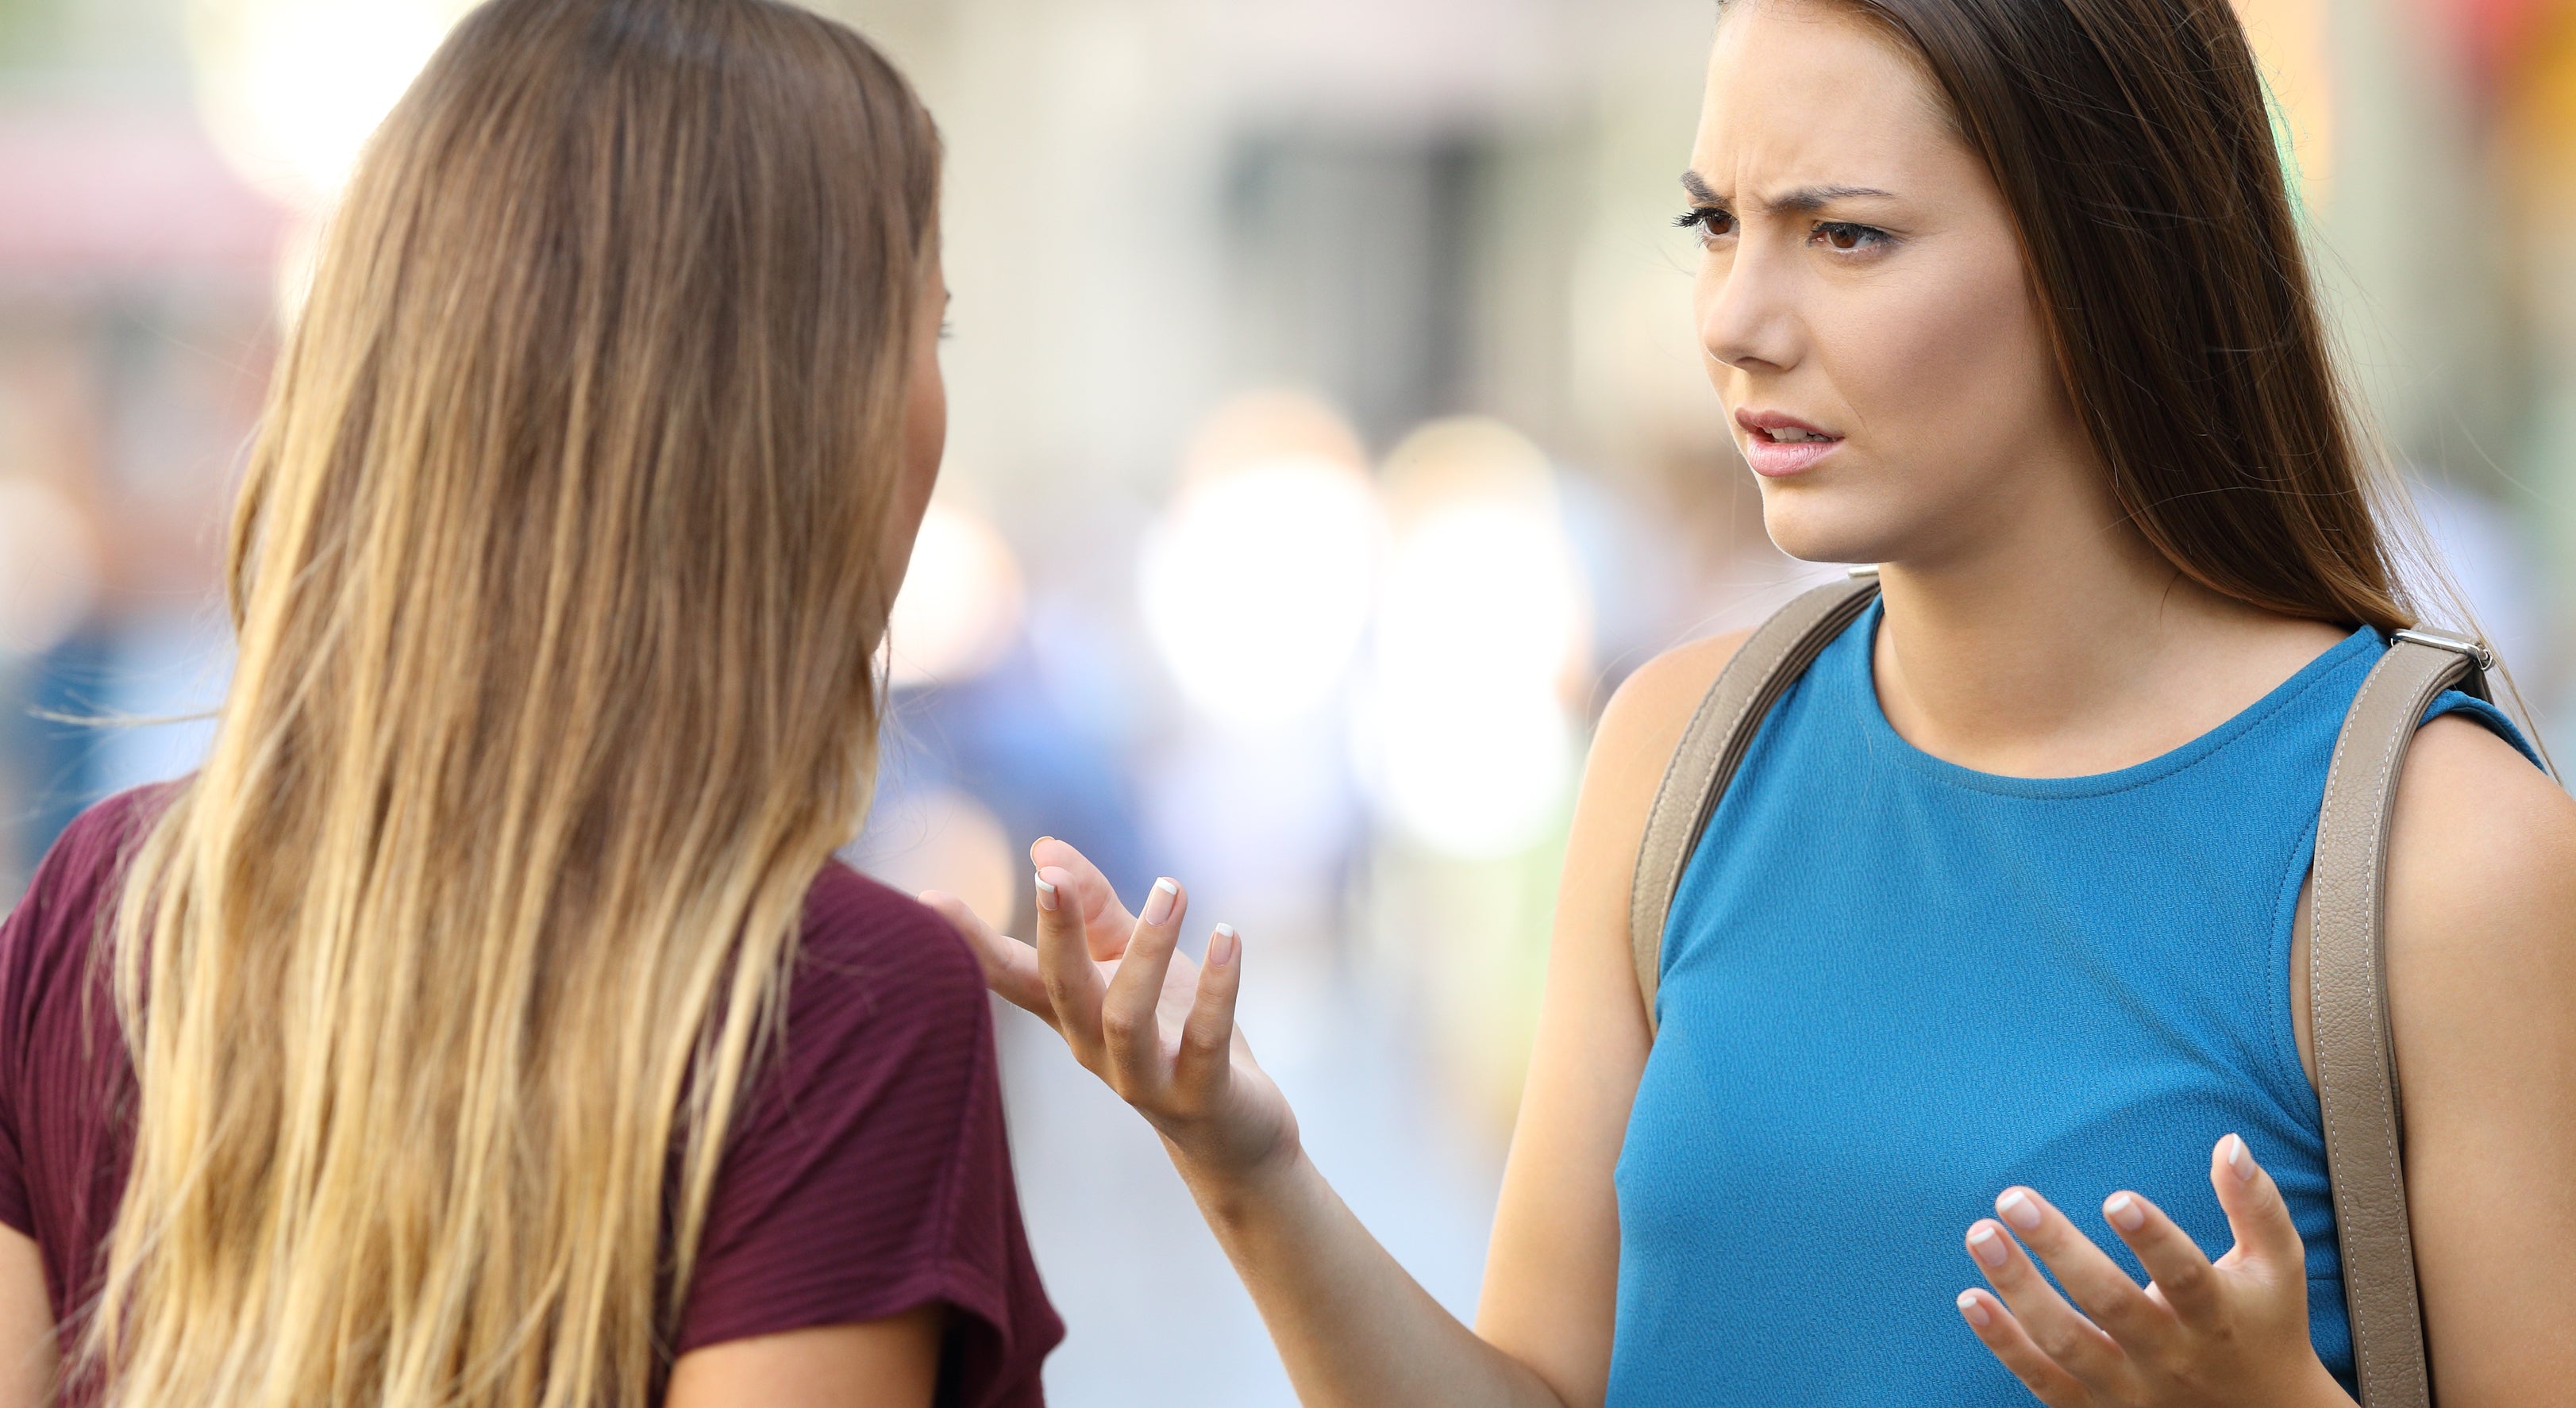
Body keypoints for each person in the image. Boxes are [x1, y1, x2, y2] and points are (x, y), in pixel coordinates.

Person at [926, 0, 2576, 1402]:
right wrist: (1240, 1153)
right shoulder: (1683, 750)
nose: (1734, 321)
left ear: (2107, 259)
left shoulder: (2443, 846)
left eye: (1842, 233)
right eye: (1715, 222)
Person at [0, 2, 1061, 1406]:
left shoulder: (106, 907)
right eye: (925, 328)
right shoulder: (836, 1010)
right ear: (793, 415)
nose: (934, 397)